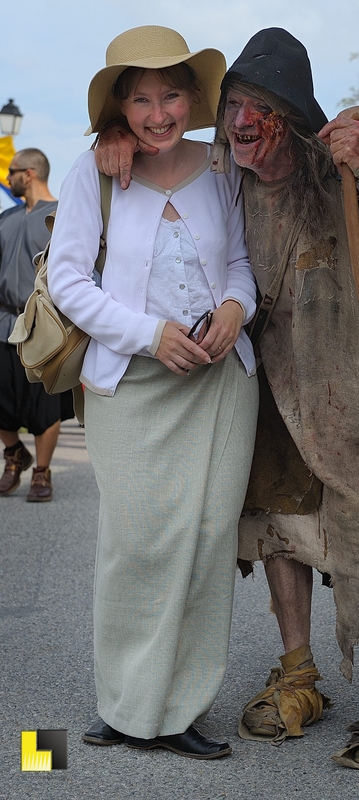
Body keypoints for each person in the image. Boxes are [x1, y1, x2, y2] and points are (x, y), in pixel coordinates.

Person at [95, 27, 359, 771]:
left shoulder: (344, 173)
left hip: (357, 401)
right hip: (263, 394)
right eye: (234, 103)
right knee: (275, 525)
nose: (243, 121)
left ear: (293, 118)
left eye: (261, 107)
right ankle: (297, 672)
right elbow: (151, 148)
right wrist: (115, 135)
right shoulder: (215, 173)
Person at [48, 26, 259, 759]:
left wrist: (237, 307)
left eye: (171, 95)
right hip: (130, 384)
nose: (158, 112)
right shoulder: (94, 171)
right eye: (140, 98)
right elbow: (68, 281)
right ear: (120, 106)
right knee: (136, 544)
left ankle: (179, 709)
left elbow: (240, 264)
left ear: (193, 99)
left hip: (219, 386)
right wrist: (148, 334)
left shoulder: (226, 167)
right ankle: (127, 705)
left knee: (204, 544)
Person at [0, 148, 73, 502]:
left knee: (43, 407)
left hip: (41, 325)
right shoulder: (5, 218)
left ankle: (41, 473)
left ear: (29, 174)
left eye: (12, 172)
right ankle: (15, 455)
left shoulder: (61, 217)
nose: (7, 177)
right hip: (1, 323)